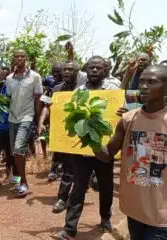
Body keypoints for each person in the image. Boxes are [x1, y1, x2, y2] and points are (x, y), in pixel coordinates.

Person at [93, 65, 167, 240]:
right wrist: (91, 138)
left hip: (162, 215)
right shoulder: (128, 120)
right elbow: (107, 155)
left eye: (152, 82)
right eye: (142, 80)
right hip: (135, 210)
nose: (144, 86)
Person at [55, 56, 119, 239]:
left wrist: (122, 111)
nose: (94, 71)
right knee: (78, 188)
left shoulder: (113, 90)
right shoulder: (79, 91)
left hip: (106, 149)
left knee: (106, 187)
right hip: (82, 150)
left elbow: (120, 116)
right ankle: (69, 229)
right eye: (91, 67)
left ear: (105, 71)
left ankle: (105, 218)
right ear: (86, 70)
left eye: (98, 68)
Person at [38, 62, 81, 213]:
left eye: (71, 69)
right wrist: (41, 122)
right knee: (68, 168)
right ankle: (62, 198)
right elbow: (47, 107)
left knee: (82, 171)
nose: (67, 72)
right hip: (65, 135)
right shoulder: (56, 89)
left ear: (78, 72)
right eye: (65, 70)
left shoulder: (84, 89)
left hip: (82, 135)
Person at [6, 49, 43, 197]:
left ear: (26, 59)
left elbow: (38, 99)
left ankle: (24, 182)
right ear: (13, 59)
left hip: (27, 117)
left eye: (22, 56)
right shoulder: (9, 79)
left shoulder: (35, 77)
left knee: (17, 149)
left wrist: (38, 121)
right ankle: (22, 180)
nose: (19, 58)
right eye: (17, 56)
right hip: (12, 118)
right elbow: (9, 99)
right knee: (15, 154)